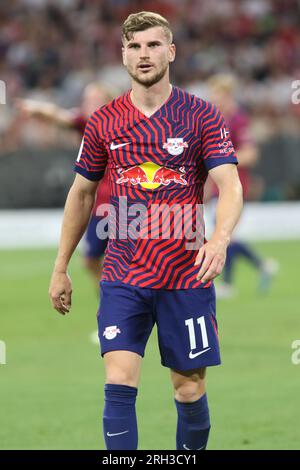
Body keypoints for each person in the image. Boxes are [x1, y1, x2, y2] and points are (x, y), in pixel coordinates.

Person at [49, 11, 243, 450]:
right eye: (134, 46)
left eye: (154, 45)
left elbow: (229, 184)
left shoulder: (201, 115)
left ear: (171, 51)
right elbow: (81, 194)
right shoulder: (103, 121)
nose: (144, 54)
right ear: (122, 55)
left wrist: (220, 238)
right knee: (119, 380)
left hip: (185, 275)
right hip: (124, 275)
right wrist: (60, 266)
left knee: (188, 389)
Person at [17, 83, 115, 286]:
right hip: (101, 208)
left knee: (125, 262)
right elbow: (59, 116)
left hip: (126, 205)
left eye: (95, 99)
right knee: (90, 260)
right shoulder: (89, 124)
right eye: (87, 100)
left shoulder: (123, 122)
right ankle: (110, 294)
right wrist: (36, 109)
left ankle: (118, 296)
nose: (90, 103)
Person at [207, 74, 278, 298]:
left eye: (217, 94)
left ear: (226, 95)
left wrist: (223, 158)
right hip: (219, 186)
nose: (214, 99)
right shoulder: (215, 119)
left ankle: (229, 283)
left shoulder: (238, 120)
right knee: (225, 234)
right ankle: (262, 266)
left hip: (235, 186)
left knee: (224, 233)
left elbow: (251, 153)